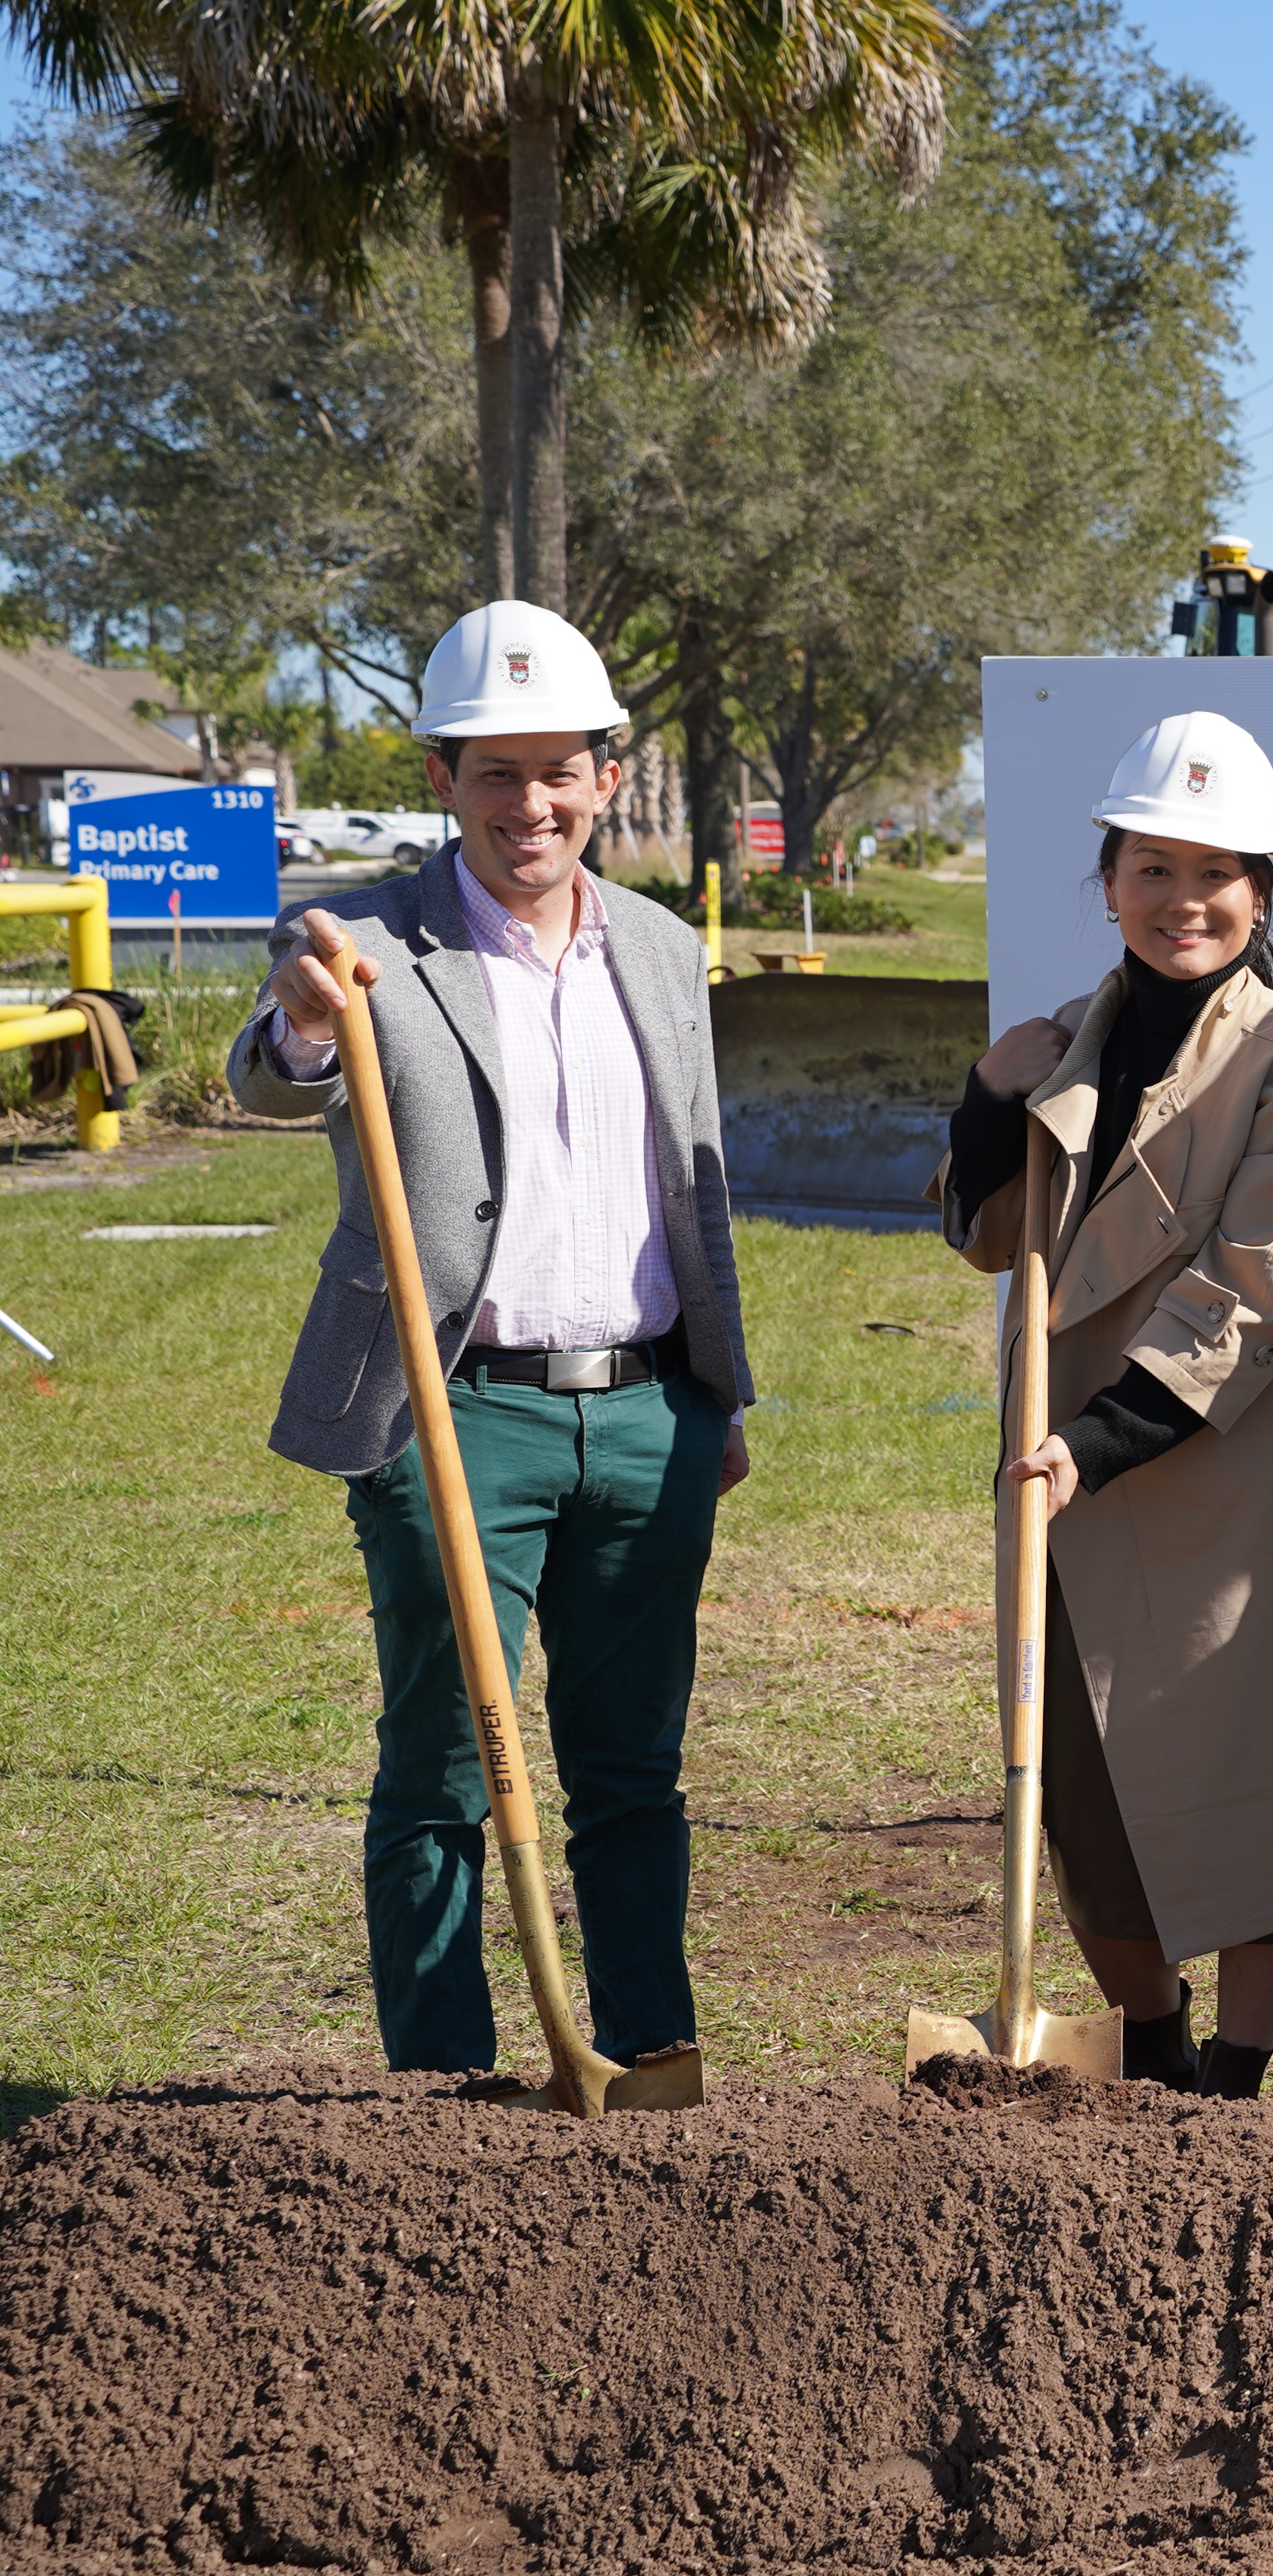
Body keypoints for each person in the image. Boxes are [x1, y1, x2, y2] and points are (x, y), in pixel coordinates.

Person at [231, 599, 754, 2089]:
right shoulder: (368, 941)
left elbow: (697, 1182)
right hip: (453, 1410)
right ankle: (445, 2097)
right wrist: (303, 1022)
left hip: (646, 1405)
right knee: (449, 1769)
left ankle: (651, 2056)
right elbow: (271, 1080)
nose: (533, 806)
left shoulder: (655, 946)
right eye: (497, 774)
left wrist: (721, 1393)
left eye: (561, 771)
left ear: (606, 773)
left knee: (632, 1770)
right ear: (447, 780)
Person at [936, 709, 1273, 2100]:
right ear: (1109, 882)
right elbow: (988, 1231)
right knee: (1082, 1799)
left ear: (1262, 895)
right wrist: (982, 1098)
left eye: (1216, 874)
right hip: (1070, 1478)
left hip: (1224, 1481)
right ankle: (1150, 2042)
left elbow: (1252, 1295)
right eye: (1153, 868)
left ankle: (1237, 2081)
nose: (1183, 901)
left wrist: (1094, 1442)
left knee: (1262, 1796)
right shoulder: (1067, 1041)